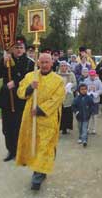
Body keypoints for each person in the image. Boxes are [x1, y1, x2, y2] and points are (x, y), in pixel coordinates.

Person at [15, 53, 66, 191]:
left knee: (45, 147)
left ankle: (37, 177)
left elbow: (58, 98)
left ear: (51, 63)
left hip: (48, 119)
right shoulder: (30, 76)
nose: (44, 65)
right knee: (35, 146)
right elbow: (20, 92)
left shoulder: (58, 80)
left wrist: (40, 109)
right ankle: (41, 171)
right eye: (42, 62)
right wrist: (30, 87)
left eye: (47, 62)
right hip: (30, 119)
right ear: (38, 62)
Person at [0, 36, 34, 162]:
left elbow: (31, 78)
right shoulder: (7, 60)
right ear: (12, 49)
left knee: (20, 127)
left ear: (25, 49)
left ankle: (23, 151)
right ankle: (11, 151)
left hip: (21, 99)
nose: (19, 50)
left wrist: (15, 82)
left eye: (21, 47)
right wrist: (4, 64)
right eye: (16, 47)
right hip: (7, 99)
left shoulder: (29, 63)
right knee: (7, 127)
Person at [72, 83, 95, 147]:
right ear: (79, 90)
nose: (84, 90)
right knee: (80, 128)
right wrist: (76, 112)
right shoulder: (77, 99)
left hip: (86, 117)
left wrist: (90, 112)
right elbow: (73, 106)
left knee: (85, 128)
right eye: (82, 89)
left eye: (85, 89)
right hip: (79, 117)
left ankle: (84, 140)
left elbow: (92, 105)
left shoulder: (89, 98)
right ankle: (80, 137)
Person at [57, 61, 77, 134]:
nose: (63, 67)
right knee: (60, 112)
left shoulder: (71, 74)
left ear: (67, 67)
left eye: (64, 66)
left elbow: (75, 83)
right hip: (59, 95)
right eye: (62, 66)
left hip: (68, 95)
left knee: (68, 112)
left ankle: (66, 127)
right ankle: (60, 127)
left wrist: (70, 87)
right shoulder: (56, 74)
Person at [84, 70, 102, 134]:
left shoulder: (98, 81)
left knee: (94, 115)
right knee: (87, 115)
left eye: (93, 75)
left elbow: (101, 89)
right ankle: (87, 128)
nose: (92, 77)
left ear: (95, 75)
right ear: (89, 75)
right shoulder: (86, 81)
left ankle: (94, 129)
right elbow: (83, 88)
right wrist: (88, 92)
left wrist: (96, 93)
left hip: (95, 100)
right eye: (91, 75)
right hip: (88, 100)